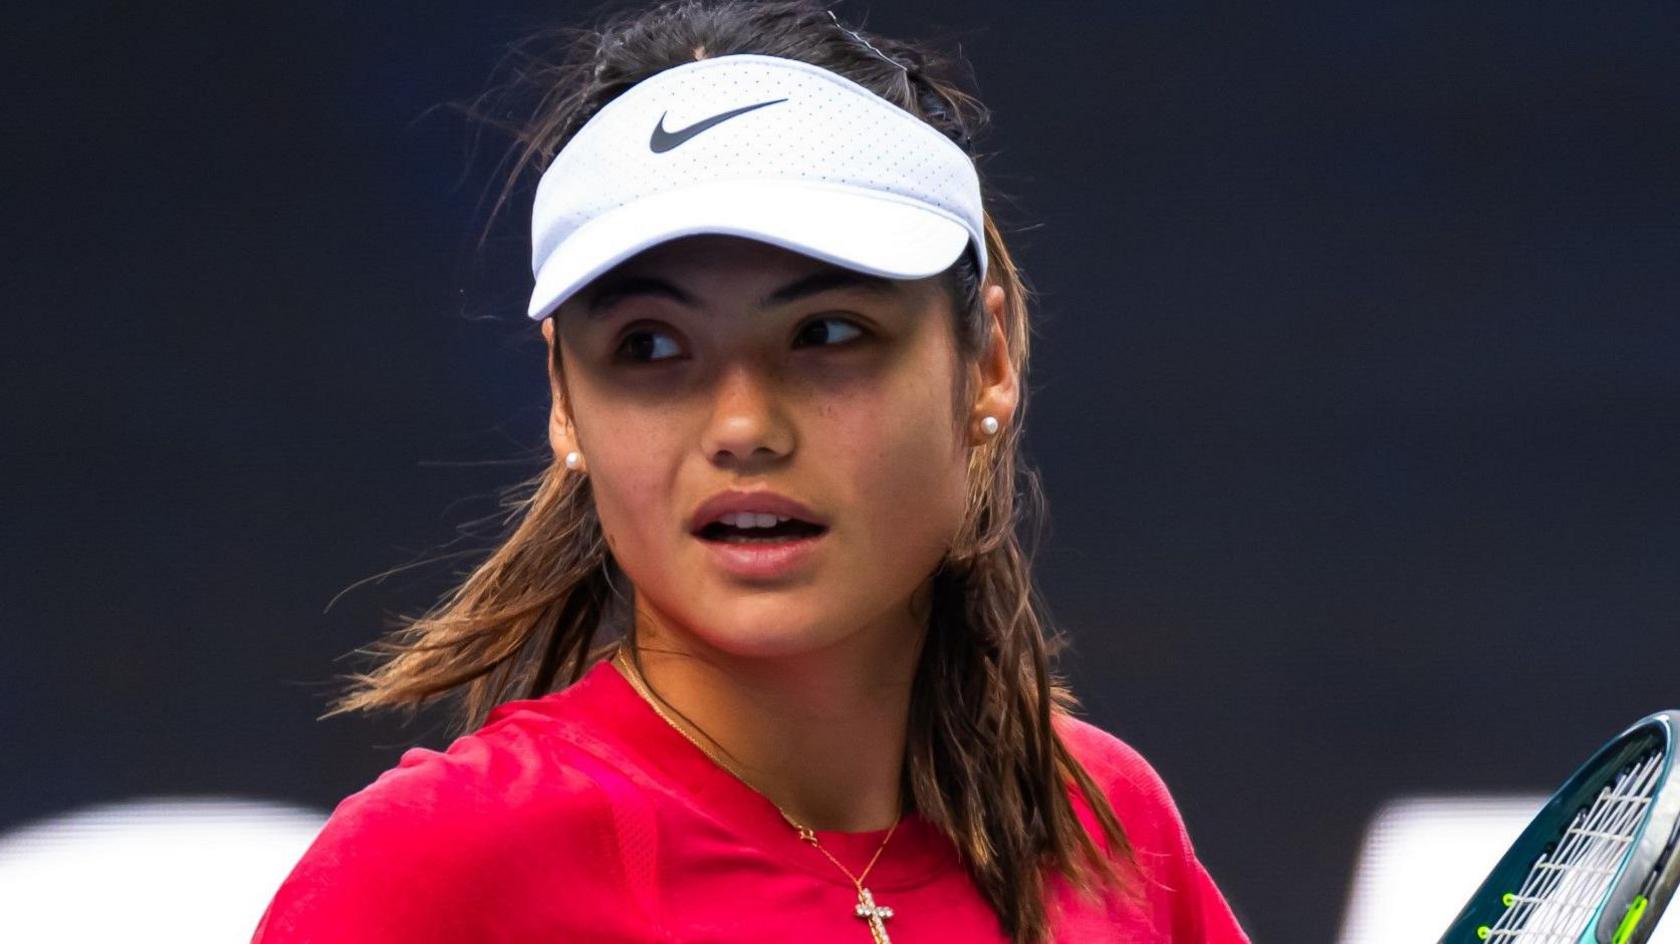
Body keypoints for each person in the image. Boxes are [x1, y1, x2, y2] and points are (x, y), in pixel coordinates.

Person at [251, 2, 1250, 942]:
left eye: (825, 332)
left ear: (985, 360)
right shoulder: (433, 866)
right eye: (649, 346)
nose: (741, 426)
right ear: (565, 398)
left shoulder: (1103, 819)